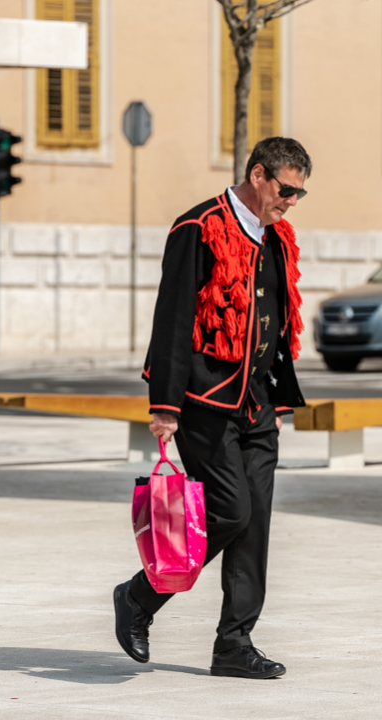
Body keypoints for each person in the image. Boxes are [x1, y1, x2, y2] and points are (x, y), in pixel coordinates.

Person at [113, 137, 311, 680]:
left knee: (255, 527)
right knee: (229, 512)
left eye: (300, 194)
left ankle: (234, 645)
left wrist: (277, 385)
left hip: (257, 402)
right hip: (202, 401)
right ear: (258, 174)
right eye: (286, 190)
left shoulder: (276, 237)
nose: (291, 202)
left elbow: (276, 314)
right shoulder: (197, 228)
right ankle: (138, 596)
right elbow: (173, 318)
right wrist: (165, 405)